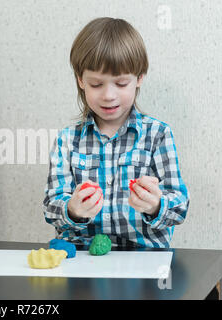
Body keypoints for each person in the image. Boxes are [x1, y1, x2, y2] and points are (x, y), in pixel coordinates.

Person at [42, 17, 190, 248]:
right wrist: (72, 209)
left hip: (144, 262)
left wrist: (155, 205)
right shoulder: (67, 140)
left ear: (139, 78)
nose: (108, 95)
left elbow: (180, 207)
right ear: (81, 80)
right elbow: (51, 207)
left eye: (121, 84)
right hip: (82, 261)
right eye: (96, 84)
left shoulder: (157, 135)